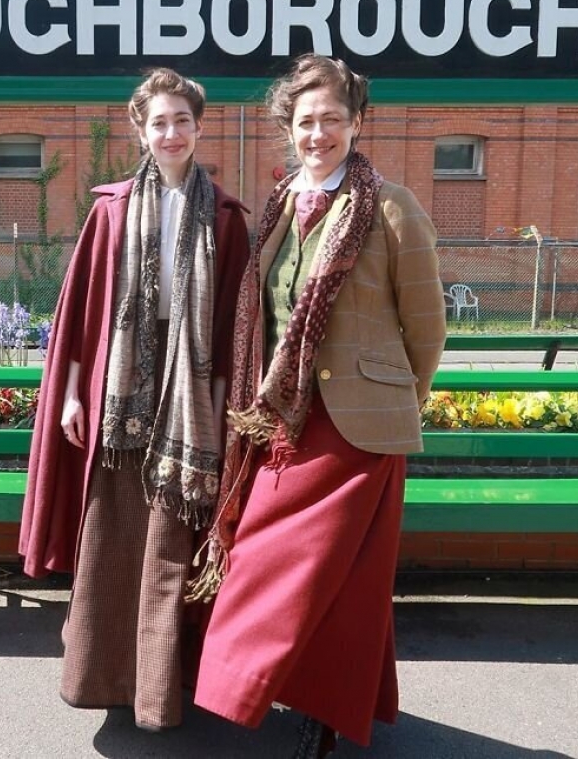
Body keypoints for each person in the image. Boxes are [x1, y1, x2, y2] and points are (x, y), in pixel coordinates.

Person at [190, 54, 447, 757]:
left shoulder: (391, 206)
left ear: (355, 123)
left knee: (336, 580)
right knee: (270, 563)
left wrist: (392, 402)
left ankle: (322, 712)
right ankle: (281, 691)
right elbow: (264, 319)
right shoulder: (277, 207)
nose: (317, 133)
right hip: (283, 422)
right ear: (287, 127)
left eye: (332, 119)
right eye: (305, 120)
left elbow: (426, 330)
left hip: (360, 431)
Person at [19, 68, 250, 731]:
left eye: (182, 120)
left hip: (188, 406)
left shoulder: (228, 219)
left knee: (172, 545)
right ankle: (101, 678)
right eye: (159, 122)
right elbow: (76, 320)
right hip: (117, 398)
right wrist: (67, 398)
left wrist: (213, 412)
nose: (171, 132)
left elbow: (232, 329)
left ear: (198, 128)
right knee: (115, 542)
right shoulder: (110, 210)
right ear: (140, 131)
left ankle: (160, 691)